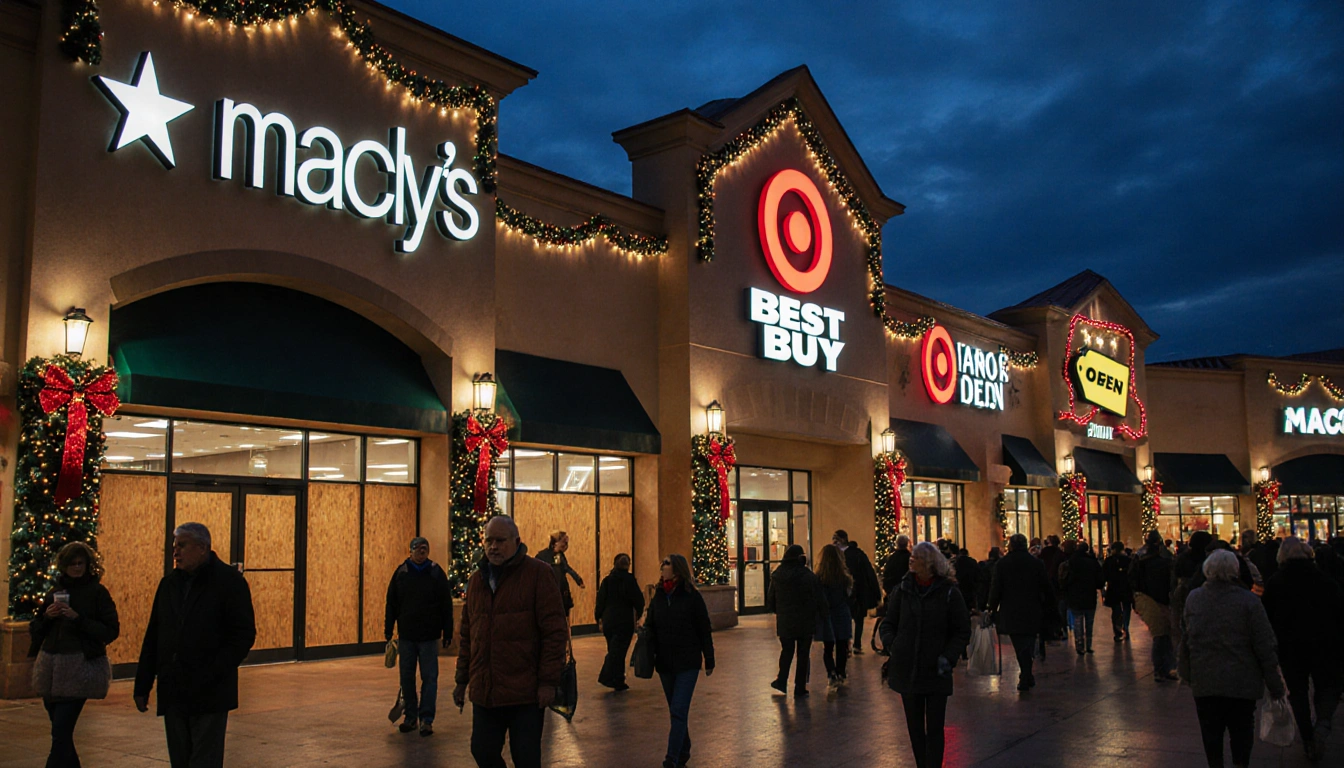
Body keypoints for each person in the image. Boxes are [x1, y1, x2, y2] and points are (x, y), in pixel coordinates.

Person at [134, 523, 257, 768]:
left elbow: (243, 634)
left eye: (182, 545)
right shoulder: (169, 584)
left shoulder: (229, 582)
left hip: (209, 689)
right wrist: (143, 684)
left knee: (204, 758)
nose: (176, 552)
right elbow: (155, 635)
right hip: (174, 688)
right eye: (174, 546)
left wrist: (215, 669)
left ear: (202, 548)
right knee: (180, 758)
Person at [453, 516, 567, 768]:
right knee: (482, 751)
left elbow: (554, 633)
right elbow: (468, 635)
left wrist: (548, 682)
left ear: (516, 541)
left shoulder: (538, 574)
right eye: (488, 541)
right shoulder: (476, 581)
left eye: (500, 541)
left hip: (524, 693)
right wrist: (462, 680)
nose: (493, 546)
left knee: (526, 758)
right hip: (486, 691)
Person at [1179, 550, 1287, 768]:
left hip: (1206, 679)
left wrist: (1186, 671)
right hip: (1242, 680)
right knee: (1242, 732)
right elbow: (1264, 644)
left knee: (1211, 733)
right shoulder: (1249, 601)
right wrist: (1274, 682)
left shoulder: (1195, 598)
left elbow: (1187, 637)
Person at [28, 541, 120, 768]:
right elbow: (36, 629)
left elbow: (110, 630)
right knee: (62, 734)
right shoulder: (55, 592)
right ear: (64, 566)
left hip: (78, 669)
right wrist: (48, 616)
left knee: (60, 732)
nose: (77, 568)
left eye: (81, 563)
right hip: (50, 667)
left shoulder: (97, 593)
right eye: (72, 564)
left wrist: (78, 619)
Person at [880, 542, 971, 768]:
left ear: (930, 563)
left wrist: (948, 656)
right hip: (907, 669)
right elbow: (888, 623)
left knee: (934, 727)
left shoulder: (949, 592)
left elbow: (962, 630)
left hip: (935, 670)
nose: (911, 560)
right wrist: (894, 644)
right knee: (915, 728)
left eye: (916, 557)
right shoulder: (903, 589)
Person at [1261, 537, 1344, 762]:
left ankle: (1307, 737)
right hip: (1325, 644)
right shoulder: (1325, 580)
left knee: (1297, 692)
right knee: (1327, 688)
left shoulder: (1276, 582)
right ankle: (1323, 726)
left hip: (1291, 648)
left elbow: (1267, 618)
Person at [644, 553, 715, 768]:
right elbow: (651, 625)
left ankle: (671, 758)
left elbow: (704, 629)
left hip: (687, 663)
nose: (661, 566)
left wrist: (709, 658)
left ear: (676, 570)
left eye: (666, 563)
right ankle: (684, 749)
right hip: (664, 663)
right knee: (676, 711)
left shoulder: (692, 596)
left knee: (678, 710)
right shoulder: (658, 595)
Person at [384, 536, 454, 736]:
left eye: (425, 549)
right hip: (407, 636)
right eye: (418, 549)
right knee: (406, 677)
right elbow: (391, 603)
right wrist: (388, 630)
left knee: (429, 678)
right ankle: (410, 717)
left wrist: (447, 631)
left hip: (429, 637)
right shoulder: (401, 573)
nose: (421, 552)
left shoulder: (435, 573)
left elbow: (445, 605)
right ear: (410, 551)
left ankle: (426, 719)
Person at [986, 533, 1051, 692]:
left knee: (1019, 643)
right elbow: (1046, 587)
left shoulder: (1002, 564)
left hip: (1012, 609)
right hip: (1032, 608)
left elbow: (996, 589)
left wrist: (991, 607)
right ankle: (1026, 673)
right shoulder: (1036, 563)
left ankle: (1026, 674)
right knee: (1028, 641)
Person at [765, 544, 822, 697]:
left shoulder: (777, 575)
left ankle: (782, 680)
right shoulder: (808, 576)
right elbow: (818, 599)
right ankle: (800, 687)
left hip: (786, 621)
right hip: (806, 621)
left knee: (787, 652)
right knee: (803, 655)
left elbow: (770, 601)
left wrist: (781, 612)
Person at [1129, 530, 1176, 682]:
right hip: (1156, 597)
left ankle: (1162, 668)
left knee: (1161, 635)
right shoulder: (1164, 559)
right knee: (1162, 635)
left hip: (1148, 597)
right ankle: (1164, 668)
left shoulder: (1140, 558)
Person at [594, 553, 644, 691]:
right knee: (619, 651)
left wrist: (598, 618)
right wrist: (639, 615)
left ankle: (618, 679)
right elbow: (639, 600)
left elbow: (600, 602)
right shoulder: (629, 580)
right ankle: (611, 677)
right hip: (624, 620)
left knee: (613, 648)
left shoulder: (607, 580)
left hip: (609, 619)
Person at [833, 531, 880, 655]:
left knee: (846, 619)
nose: (834, 541)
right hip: (859, 593)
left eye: (836, 539)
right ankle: (856, 645)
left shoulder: (836, 555)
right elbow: (869, 573)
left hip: (850, 593)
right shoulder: (858, 554)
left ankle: (848, 645)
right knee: (858, 620)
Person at [815, 544, 854, 687]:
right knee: (842, 645)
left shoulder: (819, 577)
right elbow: (849, 595)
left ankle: (831, 672)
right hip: (842, 613)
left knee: (828, 647)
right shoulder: (844, 577)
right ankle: (841, 672)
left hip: (827, 615)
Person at [1170, 530, 1212, 658]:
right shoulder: (1206, 559)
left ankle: (1184, 655)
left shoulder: (1182, 558)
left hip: (1182, 594)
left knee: (1183, 626)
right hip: (1200, 594)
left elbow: (1175, 576)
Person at [1059, 540, 1103, 654]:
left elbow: (1065, 580)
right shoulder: (1092, 562)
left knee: (1077, 620)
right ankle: (1089, 644)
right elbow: (1100, 580)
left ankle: (1079, 644)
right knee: (1089, 622)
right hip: (1090, 595)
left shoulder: (1071, 562)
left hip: (1075, 595)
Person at [536, 530, 585, 617]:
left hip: (561, 589)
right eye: (563, 543)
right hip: (549, 590)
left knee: (564, 613)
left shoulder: (560, 556)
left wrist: (578, 580)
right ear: (555, 543)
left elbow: (567, 568)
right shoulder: (542, 556)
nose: (565, 546)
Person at [1101, 541, 1133, 641]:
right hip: (1126, 588)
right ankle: (1125, 627)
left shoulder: (1109, 561)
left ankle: (1118, 630)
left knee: (1116, 610)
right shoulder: (1128, 560)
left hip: (1114, 588)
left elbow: (1104, 575)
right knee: (1127, 608)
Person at [952, 548, 979, 619]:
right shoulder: (973, 562)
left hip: (960, 588)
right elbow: (978, 576)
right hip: (971, 588)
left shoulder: (956, 563)